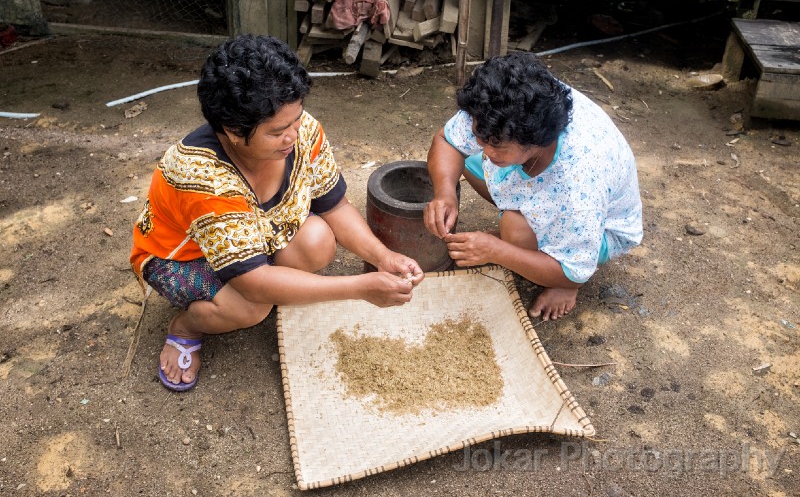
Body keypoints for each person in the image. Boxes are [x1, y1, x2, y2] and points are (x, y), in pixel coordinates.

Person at [130, 35, 424, 392]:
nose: (293, 136)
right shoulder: (202, 177)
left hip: (255, 235)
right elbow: (252, 283)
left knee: (318, 241)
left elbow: (335, 205)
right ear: (233, 132)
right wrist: (359, 288)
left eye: (296, 121)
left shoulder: (303, 131)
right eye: (277, 132)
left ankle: (271, 279)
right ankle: (186, 326)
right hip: (180, 257)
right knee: (252, 306)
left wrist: (383, 256)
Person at [424, 52, 642, 322]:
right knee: (462, 161)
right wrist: (445, 192)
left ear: (535, 140)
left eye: (496, 145)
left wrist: (497, 251)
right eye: (481, 138)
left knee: (514, 230)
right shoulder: (504, 107)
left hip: (601, 230)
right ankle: (524, 244)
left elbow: (574, 267)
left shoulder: (577, 184)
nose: (485, 149)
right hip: (546, 184)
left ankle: (563, 286)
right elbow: (448, 141)